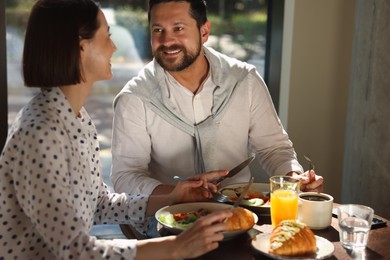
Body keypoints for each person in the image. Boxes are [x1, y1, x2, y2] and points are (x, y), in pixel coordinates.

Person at [0, 0, 234, 259]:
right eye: (107, 36)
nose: (114, 47)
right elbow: (73, 251)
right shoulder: (41, 133)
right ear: (81, 47)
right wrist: (174, 247)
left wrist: (173, 196)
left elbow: (98, 204)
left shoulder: (75, 118)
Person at [111, 0, 324, 197]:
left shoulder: (244, 81)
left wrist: (294, 178)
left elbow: (273, 148)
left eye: (178, 28)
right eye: (158, 30)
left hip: (241, 209)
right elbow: (126, 175)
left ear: (204, 32)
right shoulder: (135, 98)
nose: (167, 41)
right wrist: (177, 193)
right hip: (170, 216)